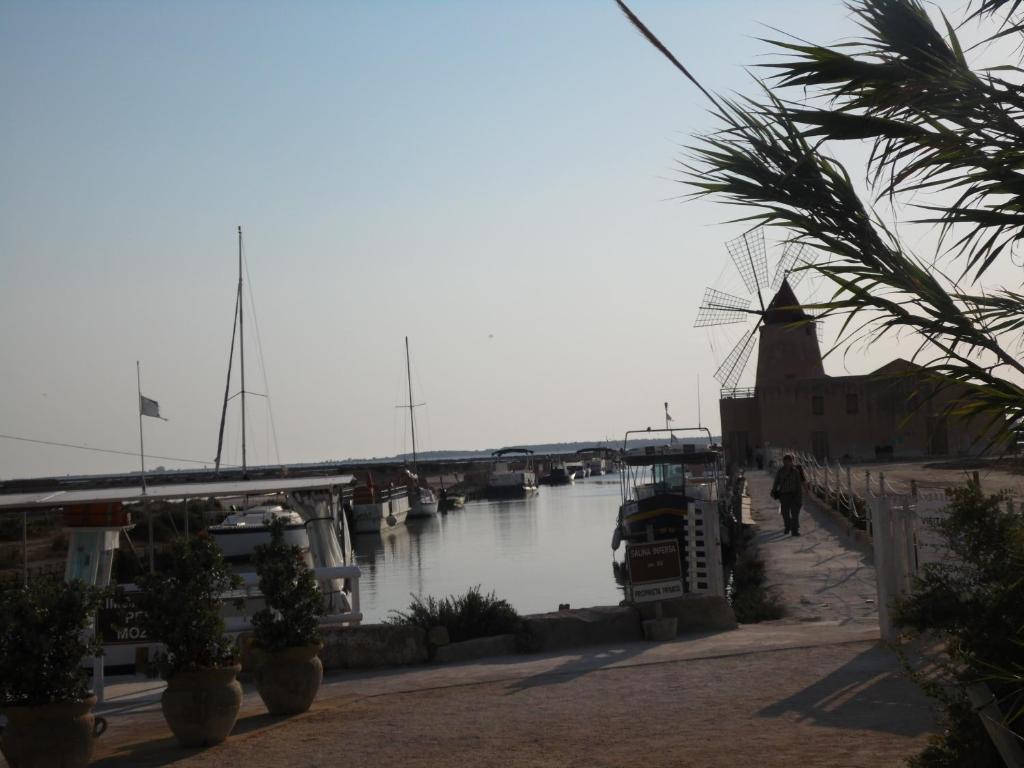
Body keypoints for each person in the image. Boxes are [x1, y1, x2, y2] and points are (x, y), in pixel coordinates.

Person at [770, 454, 804, 536]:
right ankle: (787, 526)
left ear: (791, 462)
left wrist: (800, 496)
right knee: (785, 514)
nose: (787, 464)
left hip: (794, 495)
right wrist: (773, 490)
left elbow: (799, 485)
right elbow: (776, 482)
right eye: (785, 462)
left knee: (795, 513)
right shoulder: (780, 471)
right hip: (784, 495)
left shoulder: (796, 472)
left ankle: (794, 531)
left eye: (788, 462)